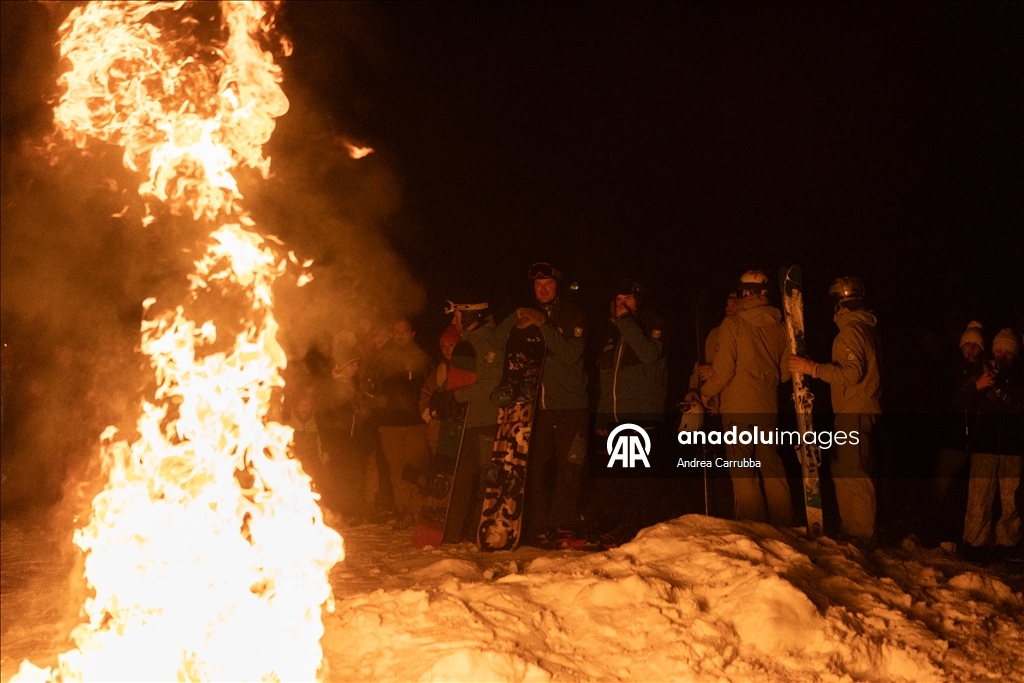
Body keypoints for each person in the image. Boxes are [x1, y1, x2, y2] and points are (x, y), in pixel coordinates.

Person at [789, 275, 881, 541]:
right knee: (843, 470)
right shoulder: (864, 327)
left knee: (854, 472)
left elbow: (852, 373)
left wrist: (812, 369)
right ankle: (853, 528)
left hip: (856, 408)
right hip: (855, 408)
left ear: (839, 303)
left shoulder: (852, 329)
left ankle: (863, 533)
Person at [698, 270, 793, 526]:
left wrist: (702, 395)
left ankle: (756, 529)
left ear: (743, 292)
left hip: (737, 408)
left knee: (744, 474)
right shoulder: (781, 326)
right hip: (767, 406)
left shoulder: (733, 324)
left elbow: (724, 372)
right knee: (772, 467)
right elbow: (785, 373)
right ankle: (784, 527)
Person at [513, 263, 589, 547]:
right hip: (539, 407)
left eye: (548, 284)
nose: (542, 289)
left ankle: (562, 523)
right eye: (537, 285)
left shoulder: (574, 314)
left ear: (558, 285)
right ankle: (537, 525)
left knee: (569, 469)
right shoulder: (530, 316)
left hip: (570, 405)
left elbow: (570, 355)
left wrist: (543, 325)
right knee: (535, 467)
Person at [592, 279, 667, 546]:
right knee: (617, 480)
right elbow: (604, 378)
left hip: (640, 415)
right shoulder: (611, 333)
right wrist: (602, 415)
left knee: (638, 481)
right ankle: (619, 528)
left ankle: (640, 533)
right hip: (613, 417)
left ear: (639, 300)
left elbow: (649, 355)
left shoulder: (652, 323)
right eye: (618, 300)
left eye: (629, 299)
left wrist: (626, 322)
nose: (622, 304)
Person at [434, 298, 514, 543]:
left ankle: (481, 530)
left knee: (484, 478)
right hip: (466, 422)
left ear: (471, 316)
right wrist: (447, 398)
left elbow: (491, 385)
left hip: (485, 419)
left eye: (457, 315)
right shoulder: (466, 342)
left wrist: (457, 396)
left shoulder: (490, 341)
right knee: (462, 476)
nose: (453, 320)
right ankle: (455, 531)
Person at [364, 319, 432, 528]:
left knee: (418, 470)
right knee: (397, 473)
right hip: (390, 425)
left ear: (412, 334)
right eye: (396, 332)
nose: (400, 336)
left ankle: (421, 512)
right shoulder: (382, 359)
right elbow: (371, 387)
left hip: (415, 424)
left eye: (404, 332)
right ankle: (404, 513)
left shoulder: (422, 358)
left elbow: (431, 387)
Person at [962, 328, 1023, 550]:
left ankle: (1007, 544)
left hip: (1013, 447)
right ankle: (974, 542)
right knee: (979, 495)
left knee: (1011, 500)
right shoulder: (982, 372)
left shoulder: (1019, 378)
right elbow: (959, 402)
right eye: (999, 350)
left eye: (1008, 351)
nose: (1002, 355)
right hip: (985, 444)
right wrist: (977, 387)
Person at [927, 321, 986, 542]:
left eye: (975, 345)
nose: (970, 349)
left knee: (971, 492)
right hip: (954, 438)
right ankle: (930, 529)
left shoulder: (987, 371)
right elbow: (949, 401)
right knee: (940, 484)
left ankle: (964, 535)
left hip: (980, 442)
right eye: (967, 344)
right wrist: (974, 387)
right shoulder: (950, 371)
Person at [420, 324, 462, 458]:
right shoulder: (438, 371)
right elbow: (425, 396)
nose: (447, 349)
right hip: (438, 431)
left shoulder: (467, 368)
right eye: (443, 346)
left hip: (459, 431)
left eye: (451, 344)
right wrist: (430, 418)